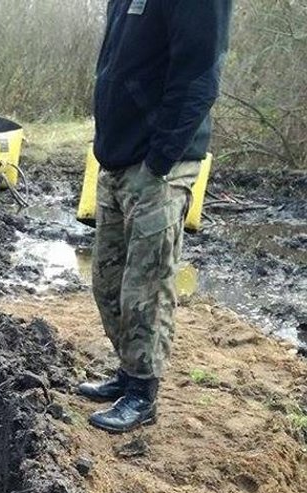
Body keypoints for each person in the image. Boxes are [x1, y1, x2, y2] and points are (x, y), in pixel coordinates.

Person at [79, 0, 233, 433]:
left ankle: (143, 394)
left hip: (159, 165)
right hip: (116, 158)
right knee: (108, 280)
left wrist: (160, 160)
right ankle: (127, 374)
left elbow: (199, 78)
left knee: (146, 285)